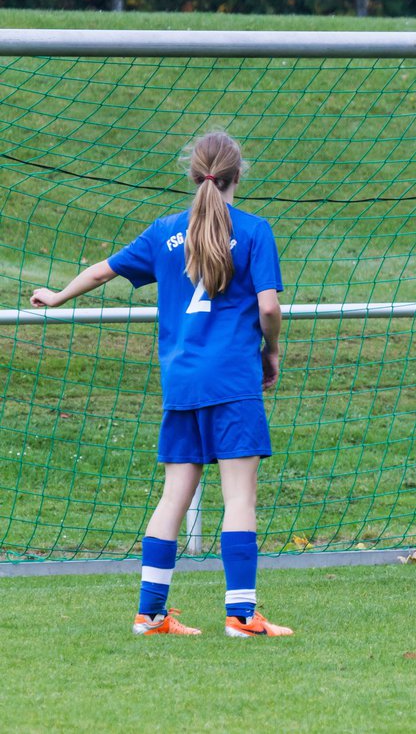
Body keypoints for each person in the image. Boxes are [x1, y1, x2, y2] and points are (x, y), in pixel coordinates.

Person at [30, 131, 292, 638]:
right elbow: (268, 307)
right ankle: (240, 616)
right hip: (233, 381)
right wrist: (272, 350)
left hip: (181, 383)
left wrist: (58, 295)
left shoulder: (164, 232)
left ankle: (150, 615)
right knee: (239, 499)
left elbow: (102, 272)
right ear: (240, 175)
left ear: (194, 174)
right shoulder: (256, 231)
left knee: (173, 497)